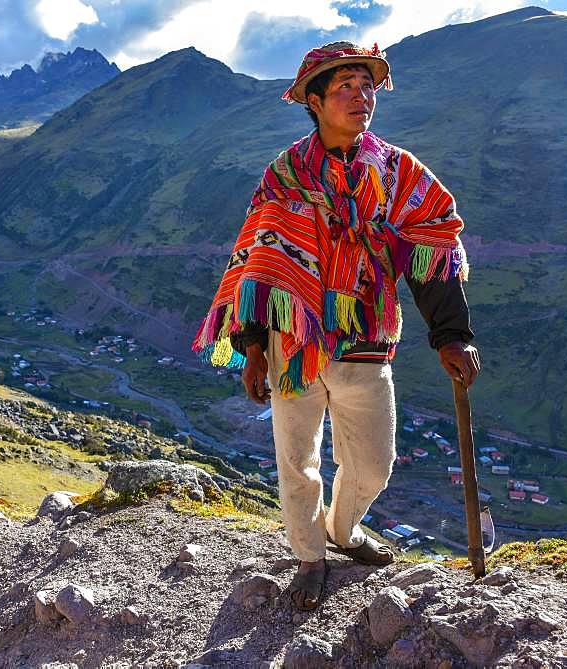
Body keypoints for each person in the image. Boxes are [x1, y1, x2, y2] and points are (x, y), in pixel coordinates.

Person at [192, 41, 480, 610]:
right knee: (296, 458)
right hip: (291, 343)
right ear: (315, 102)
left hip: (366, 339)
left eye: (366, 86)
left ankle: (342, 531)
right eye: (345, 88)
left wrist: (451, 335)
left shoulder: (398, 173)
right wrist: (252, 348)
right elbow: (260, 262)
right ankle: (309, 558)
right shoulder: (285, 175)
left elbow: (433, 248)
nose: (360, 97)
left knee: (375, 461)